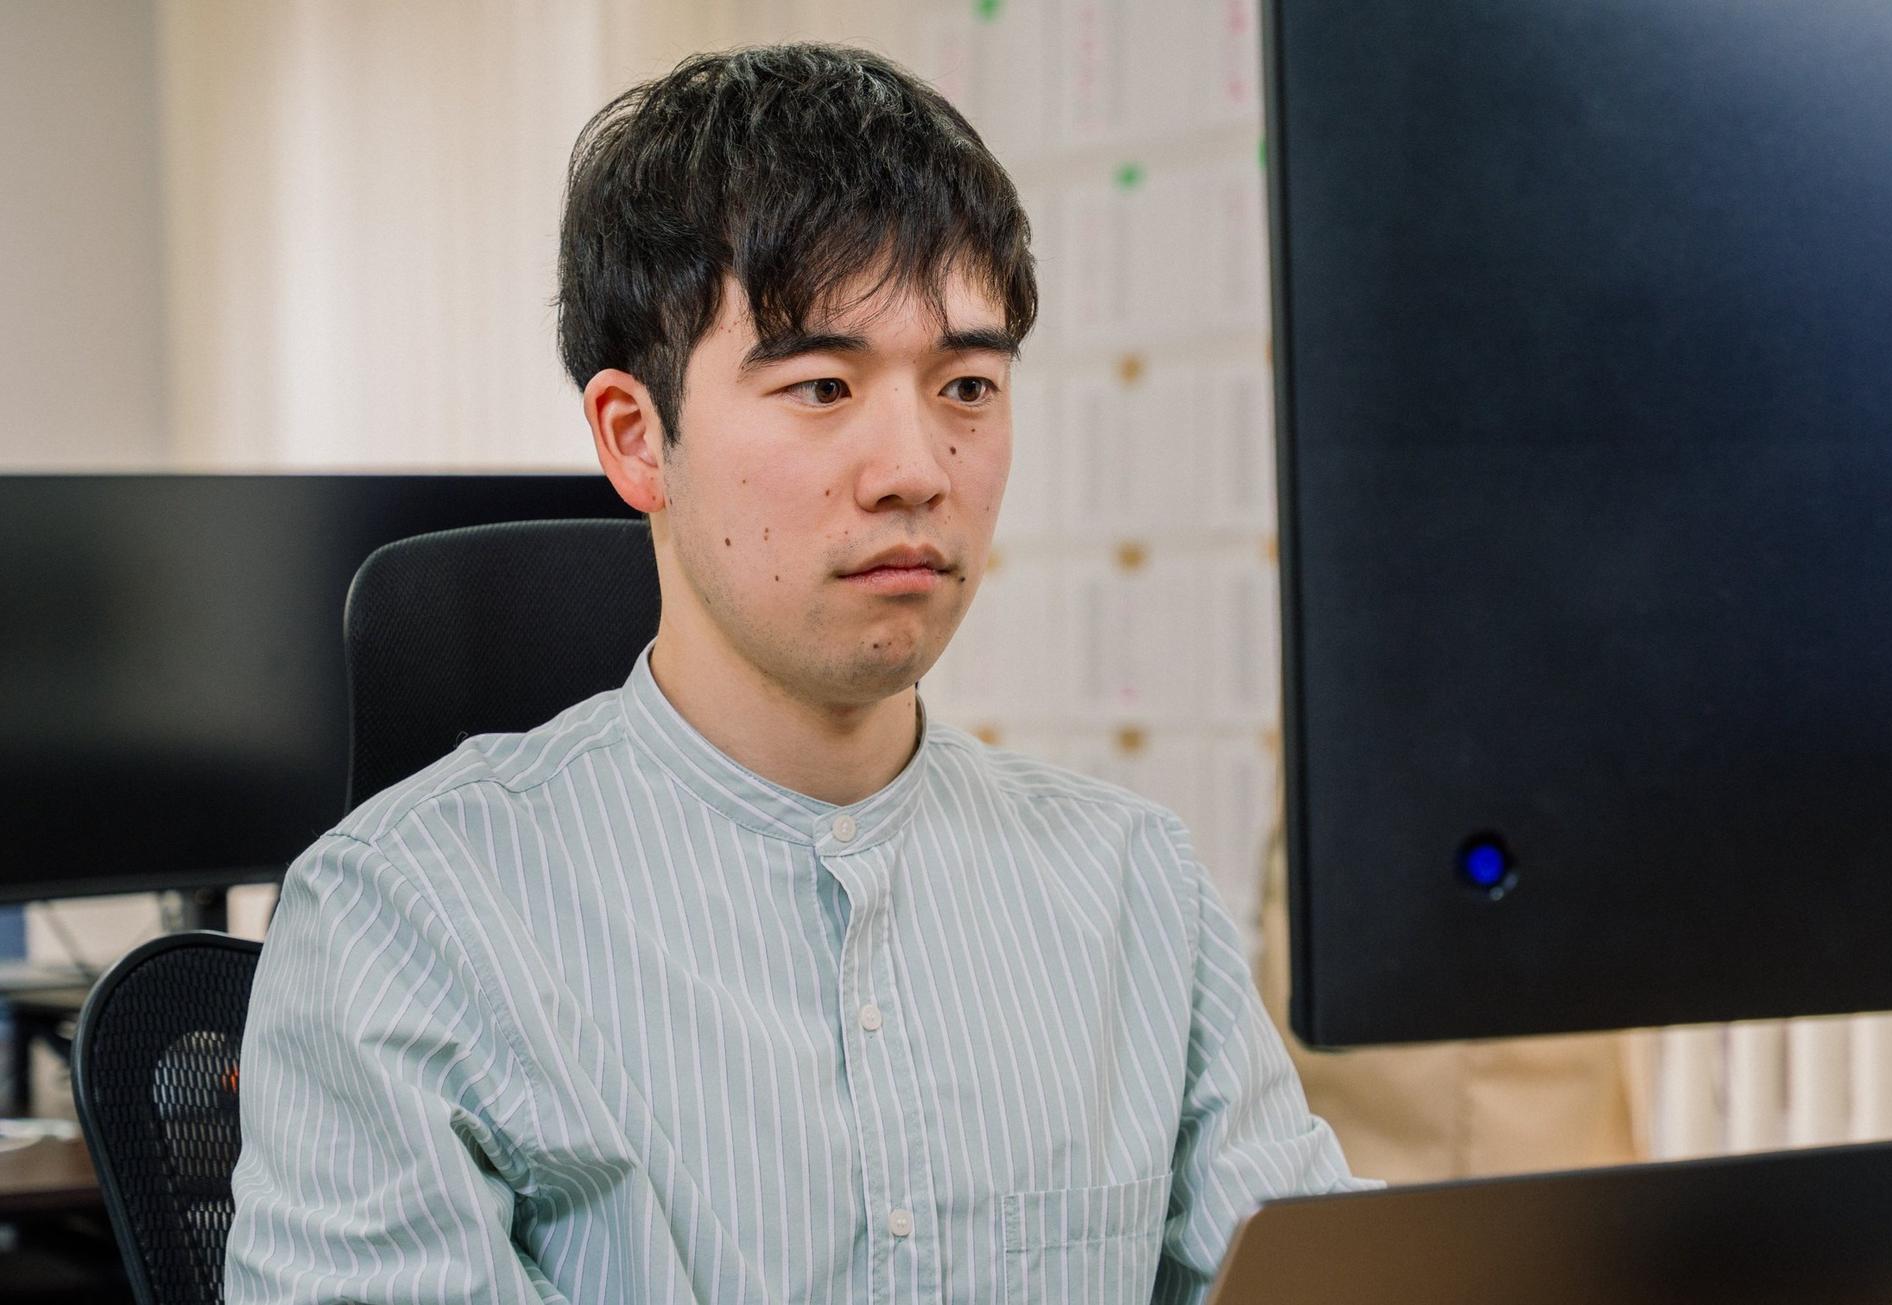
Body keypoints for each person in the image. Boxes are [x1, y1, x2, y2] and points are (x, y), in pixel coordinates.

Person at [225, 42, 1372, 1305]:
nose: (916, 470)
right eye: (823, 386)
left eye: (968, 386)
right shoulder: (404, 920)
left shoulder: (1132, 887)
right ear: (636, 439)